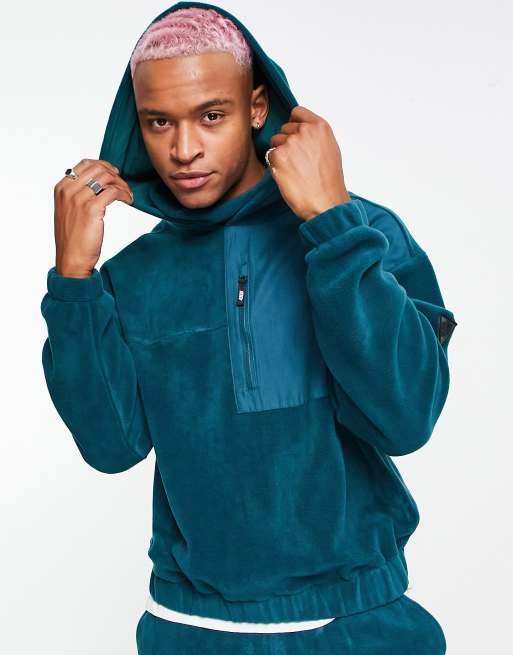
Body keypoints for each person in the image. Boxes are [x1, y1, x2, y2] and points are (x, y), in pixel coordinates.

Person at [40, 2, 457, 653]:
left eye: (211, 115)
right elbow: (111, 446)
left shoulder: (360, 233)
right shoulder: (133, 276)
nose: (183, 150)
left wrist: (330, 224)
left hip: (358, 626)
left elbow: (405, 419)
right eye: (158, 122)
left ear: (257, 108)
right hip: (192, 629)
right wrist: (73, 282)